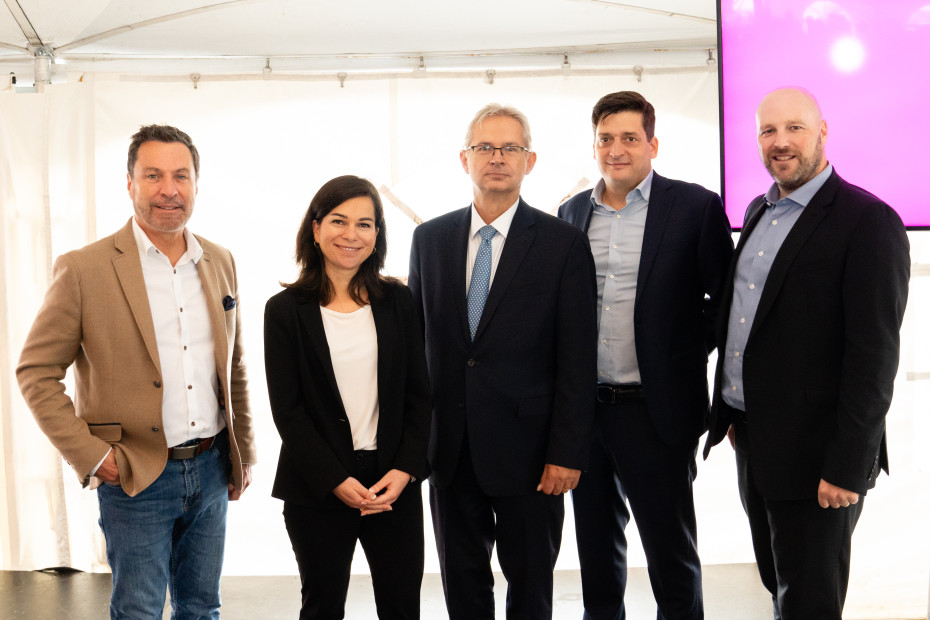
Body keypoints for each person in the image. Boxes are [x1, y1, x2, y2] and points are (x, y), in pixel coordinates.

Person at [16, 124, 256, 619]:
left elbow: (233, 364)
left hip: (211, 467)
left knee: (202, 608)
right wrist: (92, 455)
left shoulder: (220, 260)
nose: (169, 189)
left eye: (181, 176)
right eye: (153, 175)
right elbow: (36, 372)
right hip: (135, 475)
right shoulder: (84, 269)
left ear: (196, 184)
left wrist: (243, 452)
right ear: (130, 183)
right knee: (138, 611)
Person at [703, 87, 910, 619]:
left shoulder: (868, 221)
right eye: (768, 131)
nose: (780, 141)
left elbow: (874, 359)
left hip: (820, 455)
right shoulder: (758, 210)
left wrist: (847, 467)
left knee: (810, 601)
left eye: (794, 127)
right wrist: (732, 411)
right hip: (753, 439)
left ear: (822, 132)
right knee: (778, 582)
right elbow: (746, 317)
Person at [407, 103, 597, 620]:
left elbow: (578, 358)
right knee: (462, 585)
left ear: (529, 161)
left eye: (510, 148)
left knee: (531, 586)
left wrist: (567, 452)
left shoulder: (562, 243)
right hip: (450, 452)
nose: (497, 157)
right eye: (485, 147)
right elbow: (417, 350)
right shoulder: (429, 241)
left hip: (532, 456)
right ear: (464, 159)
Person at [558, 90, 734, 620]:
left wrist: (679, 350)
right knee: (595, 552)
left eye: (630, 138)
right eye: (605, 139)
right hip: (586, 413)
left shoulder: (695, 207)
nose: (616, 149)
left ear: (652, 145)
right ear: (594, 146)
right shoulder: (570, 212)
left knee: (670, 553)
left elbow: (725, 300)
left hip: (656, 411)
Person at [264, 175, 431, 619]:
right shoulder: (284, 311)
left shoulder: (399, 301)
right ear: (316, 228)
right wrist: (335, 479)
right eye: (339, 221)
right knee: (322, 606)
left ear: (377, 235)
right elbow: (288, 411)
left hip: (392, 480)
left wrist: (406, 470)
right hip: (318, 484)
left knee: (402, 607)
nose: (351, 235)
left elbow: (420, 397)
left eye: (365, 224)